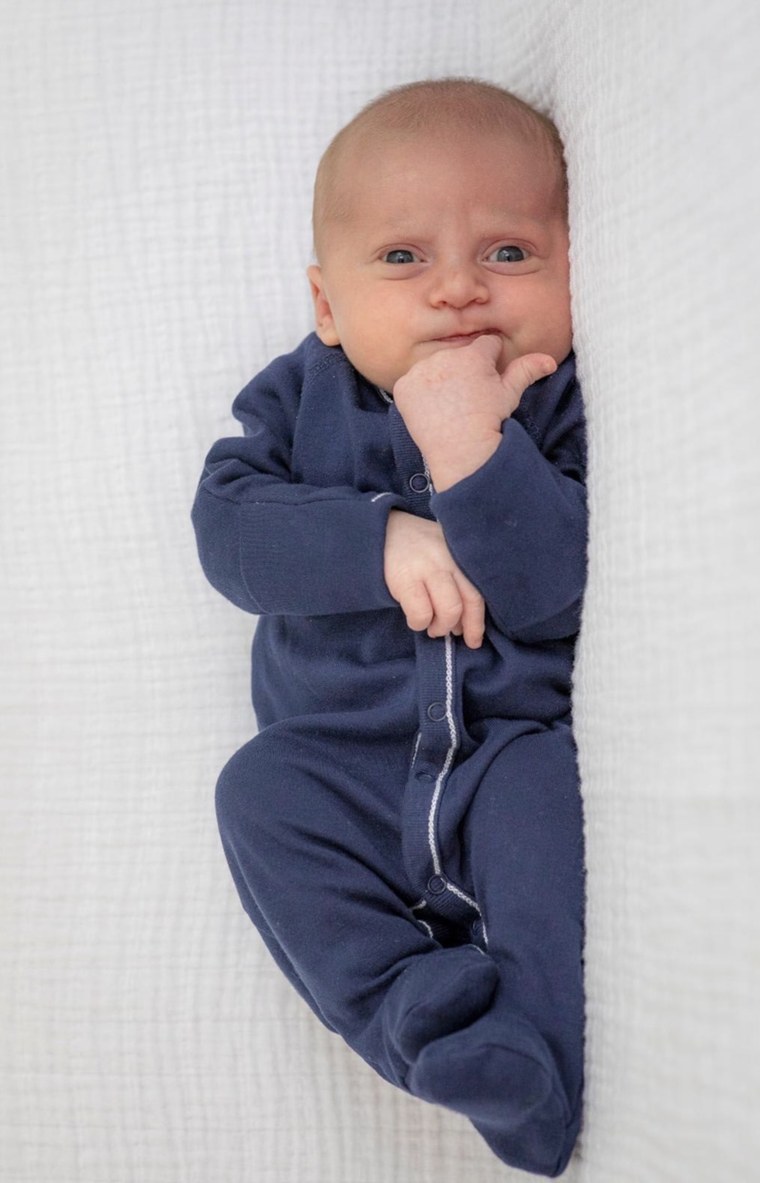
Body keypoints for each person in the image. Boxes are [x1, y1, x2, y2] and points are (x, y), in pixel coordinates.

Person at [192, 77, 587, 1178]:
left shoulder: (547, 402)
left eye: (508, 254)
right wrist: (381, 540)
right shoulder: (297, 402)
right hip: (344, 767)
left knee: (547, 831)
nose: (458, 289)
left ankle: (533, 1081)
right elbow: (228, 534)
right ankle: (430, 1019)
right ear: (327, 306)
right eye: (402, 258)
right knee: (254, 793)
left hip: (504, 757)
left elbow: (552, 585)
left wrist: (472, 444)